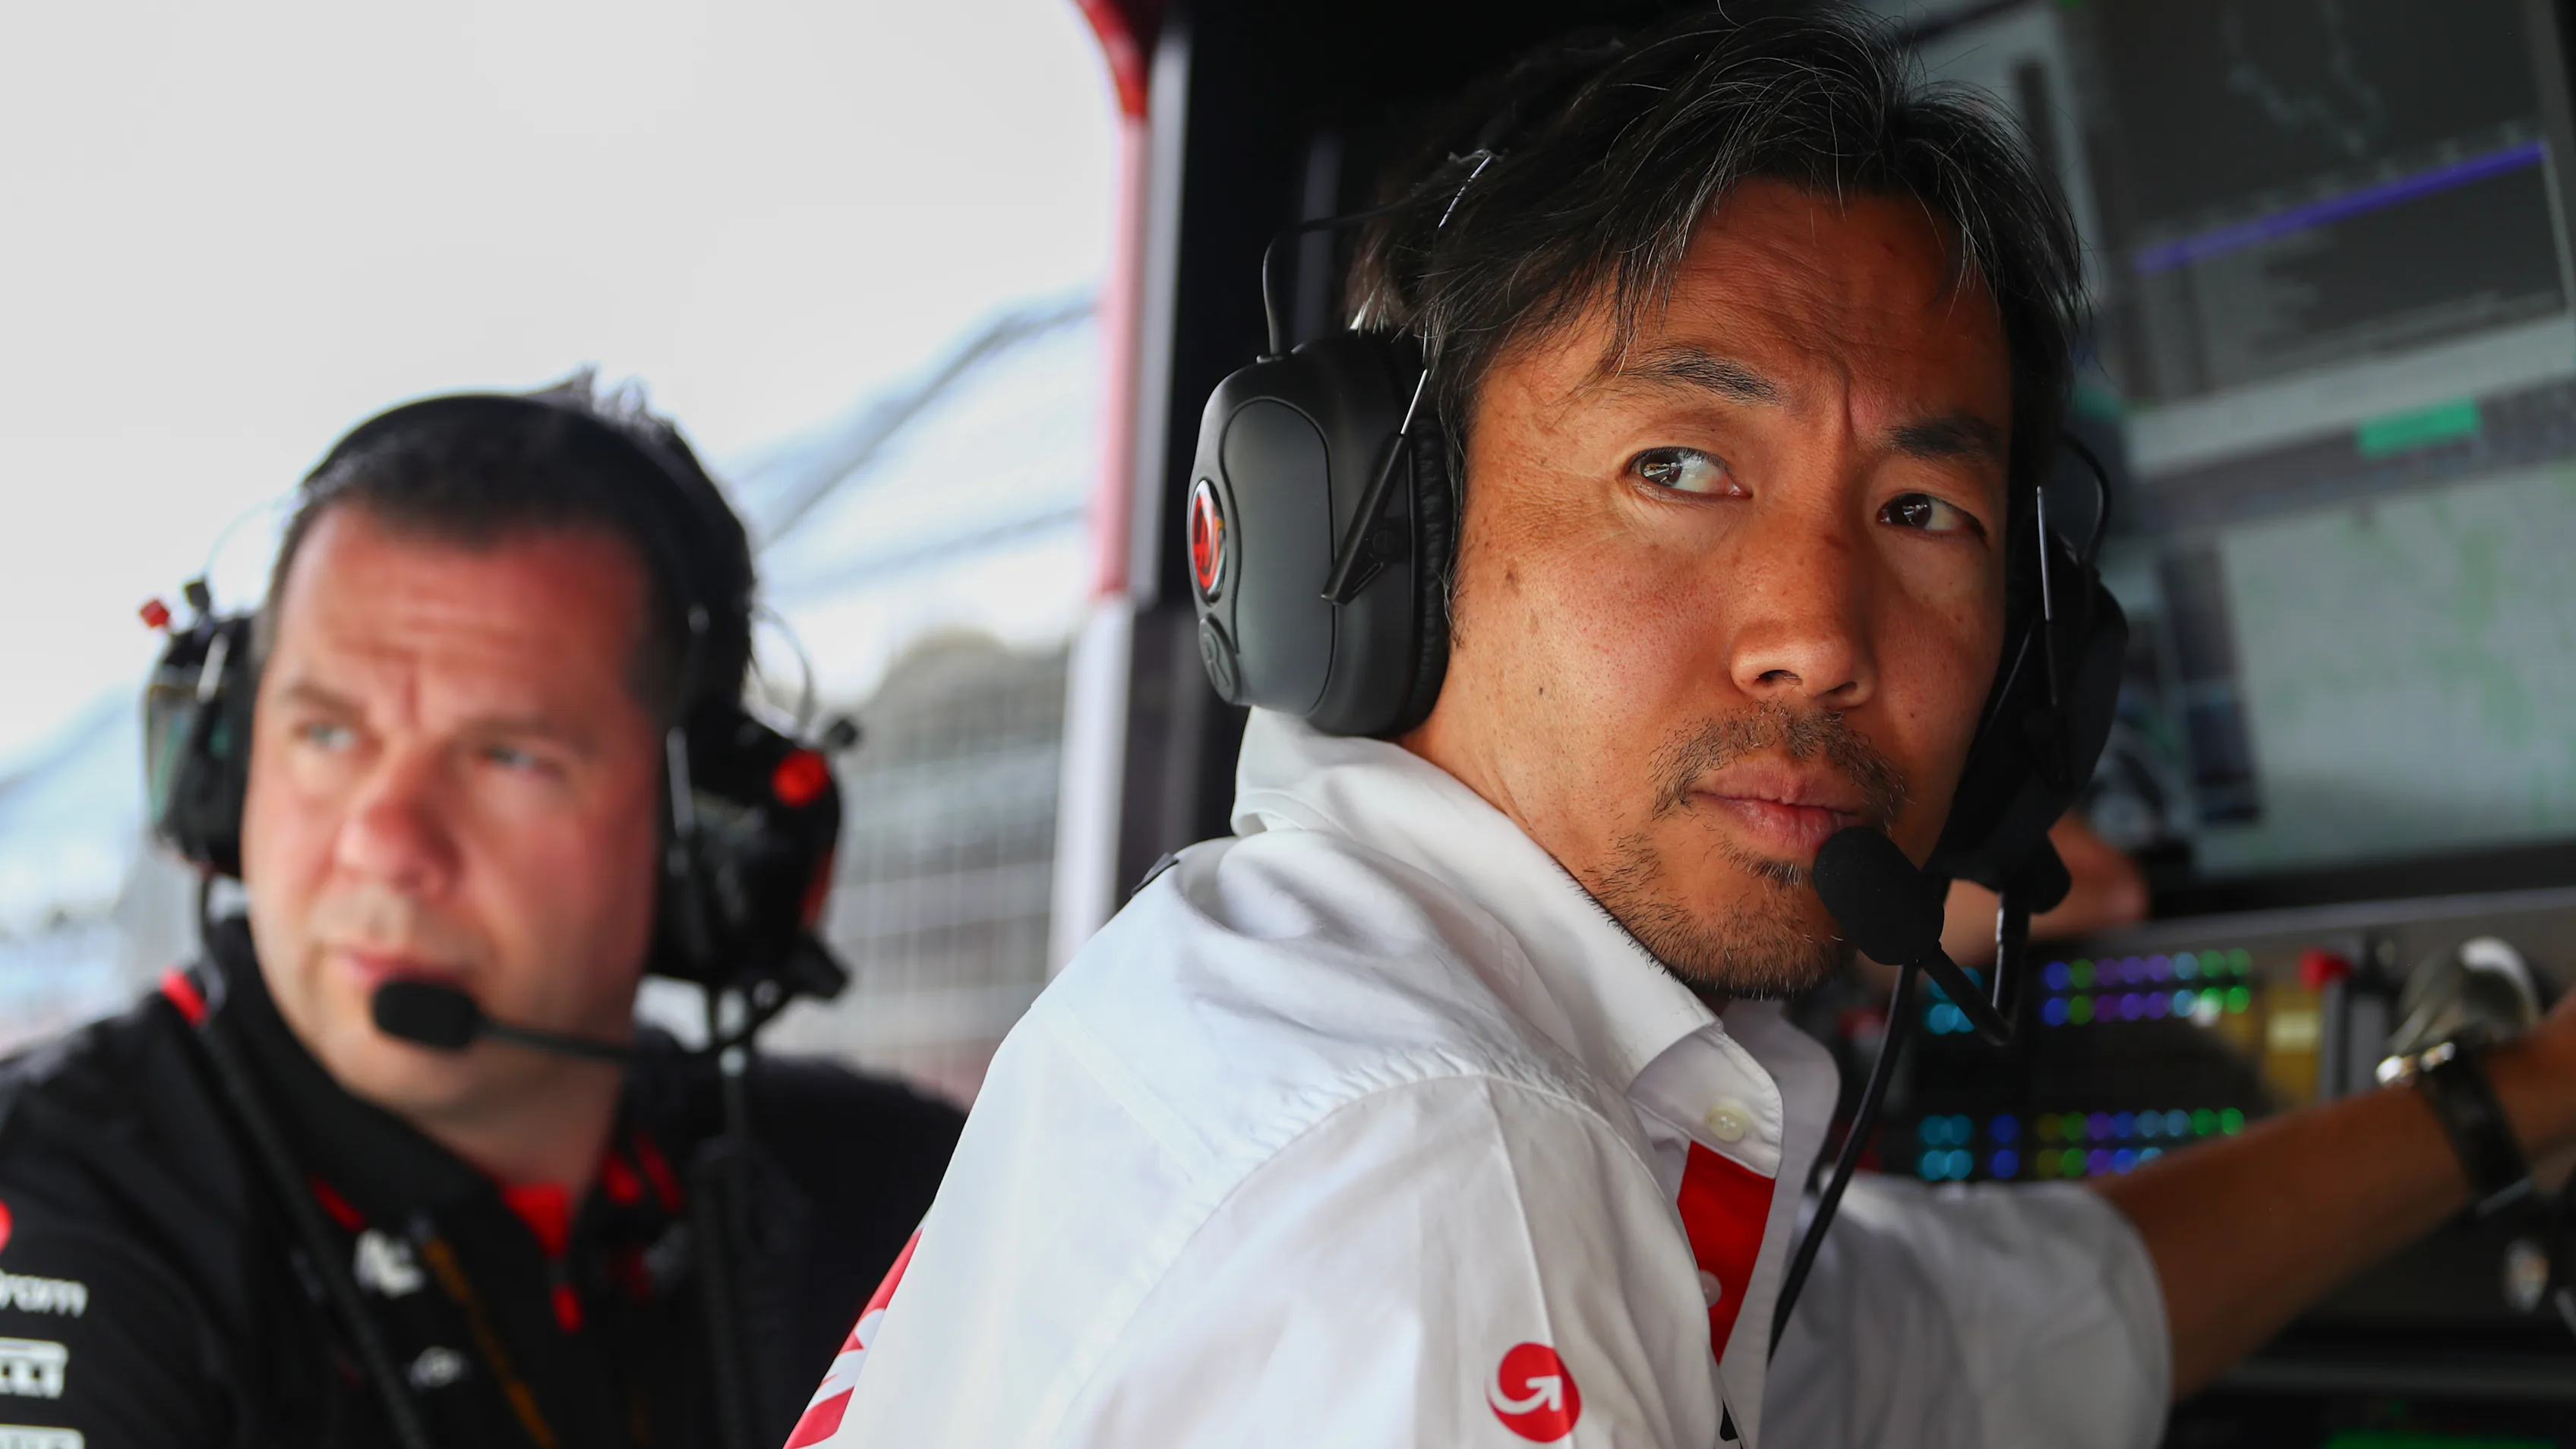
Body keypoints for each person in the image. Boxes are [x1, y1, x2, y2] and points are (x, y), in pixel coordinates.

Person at [800, 8, 2576, 1449]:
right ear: (1374, 535)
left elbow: (1977, 1346)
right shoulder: (1436, 1172)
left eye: (1919, 514)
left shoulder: (1335, 1020)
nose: (1816, 636)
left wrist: (2531, 1091)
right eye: (1680, 470)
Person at [0, 381, 963, 1447]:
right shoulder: (63, 1214)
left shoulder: (905, 1201)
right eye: (326, 735)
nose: (387, 843)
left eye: (510, 757)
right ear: (224, 771)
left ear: (699, 840)